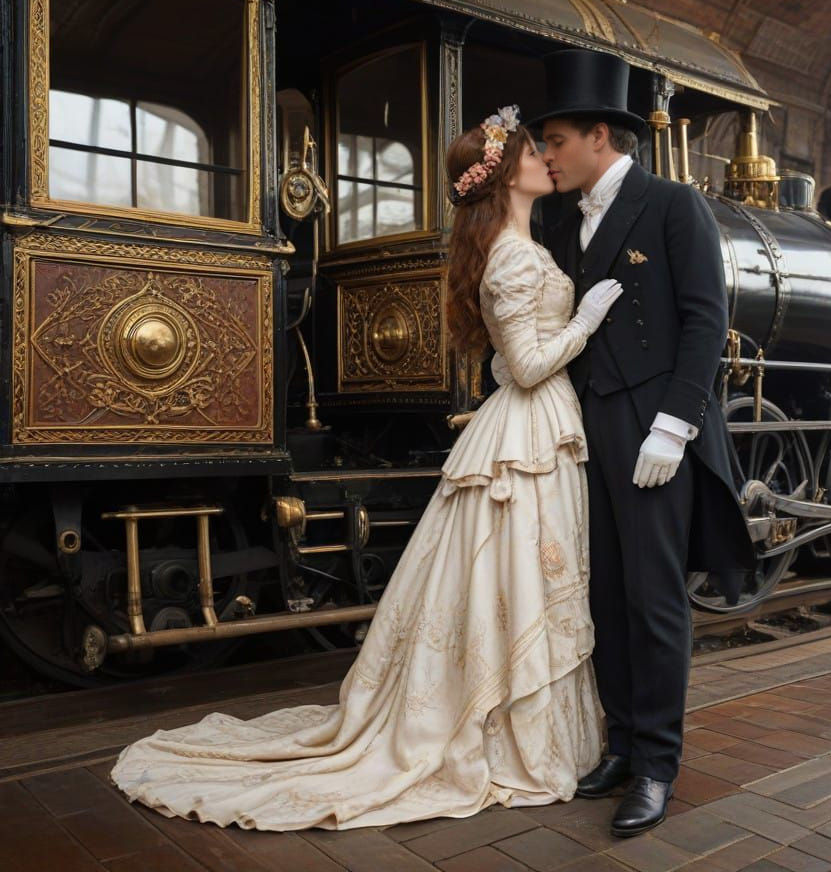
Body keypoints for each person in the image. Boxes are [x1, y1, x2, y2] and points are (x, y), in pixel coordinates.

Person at [108, 106, 623, 832]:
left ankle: (531, 725)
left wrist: (553, 334)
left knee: (531, 576)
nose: (545, 159)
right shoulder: (511, 255)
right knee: (523, 576)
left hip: (535, 428)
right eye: (533, 152)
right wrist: (587, 320)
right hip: (530, 431)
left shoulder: (518, 245)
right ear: (506, 173)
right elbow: (531, 365)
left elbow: (508, 360)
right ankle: (510, 733)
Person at [527, 49, 755, 836]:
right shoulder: (561, 217)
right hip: (585, 422)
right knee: (604, 595)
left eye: (554, 141)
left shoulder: (672, 203)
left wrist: (674, 424)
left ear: (600, 136)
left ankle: (658, 765)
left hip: (652, 423)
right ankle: (622, 743)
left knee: (655, 601)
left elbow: (705, 321)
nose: (546, 156)